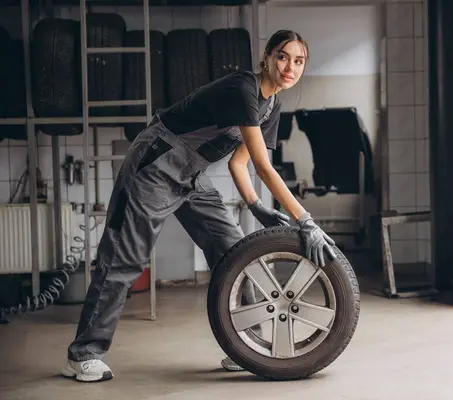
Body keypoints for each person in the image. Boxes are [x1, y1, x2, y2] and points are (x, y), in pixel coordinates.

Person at [60, 29, 336, 383]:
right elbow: (264, 168)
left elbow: (241, 163)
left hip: (192, 173)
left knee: (234, 250)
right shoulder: (244, 89)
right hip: (156, 164)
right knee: (125, 259)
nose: (289, 67)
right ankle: (83, 354)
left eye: (298, 61)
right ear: (266, 56)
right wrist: (306, 219)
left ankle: (243, 345)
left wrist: (254, 205)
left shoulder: (272, 104)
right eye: (283, 56)